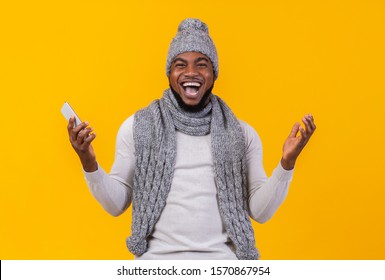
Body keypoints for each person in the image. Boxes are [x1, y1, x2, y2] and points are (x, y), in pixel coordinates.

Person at [66, 18, 316, 260]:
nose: (191, 73)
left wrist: (286, 163)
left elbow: (260, 212)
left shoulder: (242, 134)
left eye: (202, 64)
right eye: (180, 64)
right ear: (169, 73)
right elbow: (116, 204)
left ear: (214, 73)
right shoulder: (137, 127)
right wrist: (88, 161)